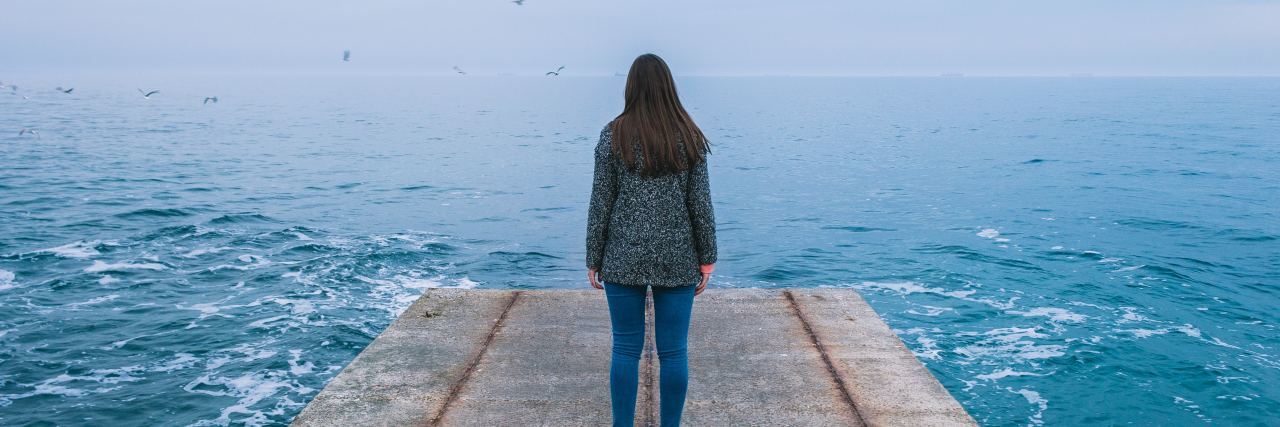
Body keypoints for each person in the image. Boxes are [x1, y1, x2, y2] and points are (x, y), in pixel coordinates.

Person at [586, 53, 717, 427]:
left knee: (625, 348)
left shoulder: (613, 134)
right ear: (668, 87)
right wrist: (707, 257)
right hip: (677, 254)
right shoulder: (688, 135)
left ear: (631, 88)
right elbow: (700, 204)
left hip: (622, 254)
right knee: (673, 352)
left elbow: (601, 203)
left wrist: (593, 256)